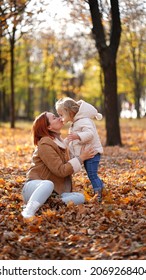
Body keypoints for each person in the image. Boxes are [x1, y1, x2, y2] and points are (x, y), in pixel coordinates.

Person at [21, 111, 95, 218]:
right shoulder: (45, 143)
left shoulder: (59, 143)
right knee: (47, 184)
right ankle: (28, 210)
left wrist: (78, 152)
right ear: (49, 127)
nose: (60, 118)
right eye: (54, 118)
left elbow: (67, 167)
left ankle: (46, 205)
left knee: (80, 197)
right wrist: (81, 158)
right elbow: (61, 170)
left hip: (53, 193)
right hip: (34, 188)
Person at [55, 97, 104, 202]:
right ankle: (100, 186)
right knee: (91, 173)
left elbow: (90, 134)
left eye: (61, 114)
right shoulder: (76, 122)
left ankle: (98, 194)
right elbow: (70, 138)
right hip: (86, 152)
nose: (60, 117)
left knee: (92, 174)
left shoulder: (84, 120)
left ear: (70, 113)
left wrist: (78, 135)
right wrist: (63, 144)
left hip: (92, 152)